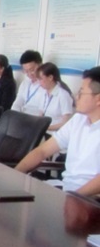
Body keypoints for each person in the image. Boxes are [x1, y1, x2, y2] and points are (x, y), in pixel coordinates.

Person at [15, 66, 100, 196]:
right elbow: (42, 151)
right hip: (65, 189)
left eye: (81, 92)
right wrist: (15, 174)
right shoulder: (78, 119)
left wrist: (73, 198)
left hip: (88, 198)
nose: (76, 97)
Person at [35, 62, 73, 131]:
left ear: (50, 77)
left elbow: (65, 123)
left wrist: (46, 128)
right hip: (44, 131)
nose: (39, 82)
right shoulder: (43, 92)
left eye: (41, 79)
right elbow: (41, 114)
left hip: (56, 133)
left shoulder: (63, 95)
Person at [11, 50, 45, 114]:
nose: (29, 74)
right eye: (26, 71)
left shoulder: (46, 84)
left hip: (36, 117)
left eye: (32, 70)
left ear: (40, 65)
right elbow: (19, 100)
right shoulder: (25, 82)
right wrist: (14, 113)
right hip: (22, 116)